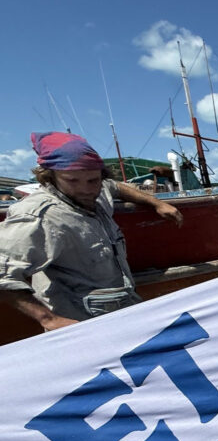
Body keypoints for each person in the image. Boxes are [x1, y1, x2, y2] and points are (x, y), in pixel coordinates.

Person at [0, 132, 183, 331]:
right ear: (50, 176)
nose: (85, 189)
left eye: (92, 180)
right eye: (72, 181)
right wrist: (49, 319)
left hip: (122, 313)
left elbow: (114, 187)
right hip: (79, 326)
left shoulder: (98, 192)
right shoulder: (40, 216)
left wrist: (156, 203)